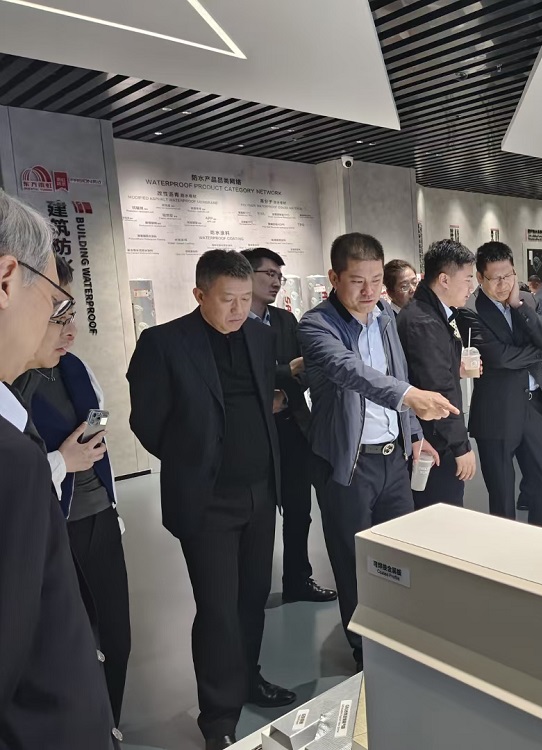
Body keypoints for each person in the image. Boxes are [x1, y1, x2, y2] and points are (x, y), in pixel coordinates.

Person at [128, 250, 293, 750]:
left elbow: (262, 402)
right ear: (200, 294)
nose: (238, 310)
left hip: (260, 491)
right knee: (218, 607)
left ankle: (248, 677)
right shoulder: (163, 343)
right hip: (208, 500)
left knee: (252, 598)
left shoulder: (259, 337)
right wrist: (194, 459)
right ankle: (219, 714)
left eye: (245, 298)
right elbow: (146, 421)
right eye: (227, 300)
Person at [298, 232, 453, 673]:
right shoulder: (316, 325)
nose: (369, 291)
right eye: (356, 281)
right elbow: (351, 372)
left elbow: (396, 369)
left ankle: (400, 638)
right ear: (333, 278)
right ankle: (366, 652)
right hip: (348, 463)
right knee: (354, 561)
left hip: (392, 459)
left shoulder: (384, 315)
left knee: (399, 554)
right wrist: (410, 397)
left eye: (375, 280)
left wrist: (414, 433)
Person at [0, 190, 119, 749]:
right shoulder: (12, 459)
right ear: (7, 280)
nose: (60, 323)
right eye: (53, 301)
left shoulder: (70, 375)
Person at [20, 257, 131, 726]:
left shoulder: (74, 367)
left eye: (70, 314)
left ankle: (110, 724)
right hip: (52, 527)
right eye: (56, 314)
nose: (69, 330)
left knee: (116, 634)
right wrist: (62, 462)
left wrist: (91, 439)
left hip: (98, 514)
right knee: (70, 643)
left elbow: (99, 412)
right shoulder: (13, 386)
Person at [241, 247, 336, 604]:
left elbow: (308, 366)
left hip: (291, 425)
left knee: (299, 510)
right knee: (256, 514)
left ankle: (298, 580)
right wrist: (284, 373)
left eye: (279, 276)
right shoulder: (233, 321)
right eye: (268, 274)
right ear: (246, 274)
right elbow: (239, 376)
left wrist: (283, 392)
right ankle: (248, 590)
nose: (276, 281)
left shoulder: (285, 320)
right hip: (251, 433)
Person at [454, 242, 542, 528]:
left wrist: (518, 306)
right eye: (495, 278)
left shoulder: (525, 300)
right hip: (497, 413)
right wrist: (539, 353)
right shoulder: (469, 310)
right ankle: (506, 552)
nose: (503, 284)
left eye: (508, 275)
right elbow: (499, 357)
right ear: (480, 277)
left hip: (534, 408)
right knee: (502, 496)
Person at [397, 238, 477, 508]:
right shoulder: (424, 321)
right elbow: (438, 388)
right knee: (441, 513)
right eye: (467, 279)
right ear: (444, 280)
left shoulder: (432, 313)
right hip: (434, 441)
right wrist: (461, 446)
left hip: (433, 435)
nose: (471, 287)